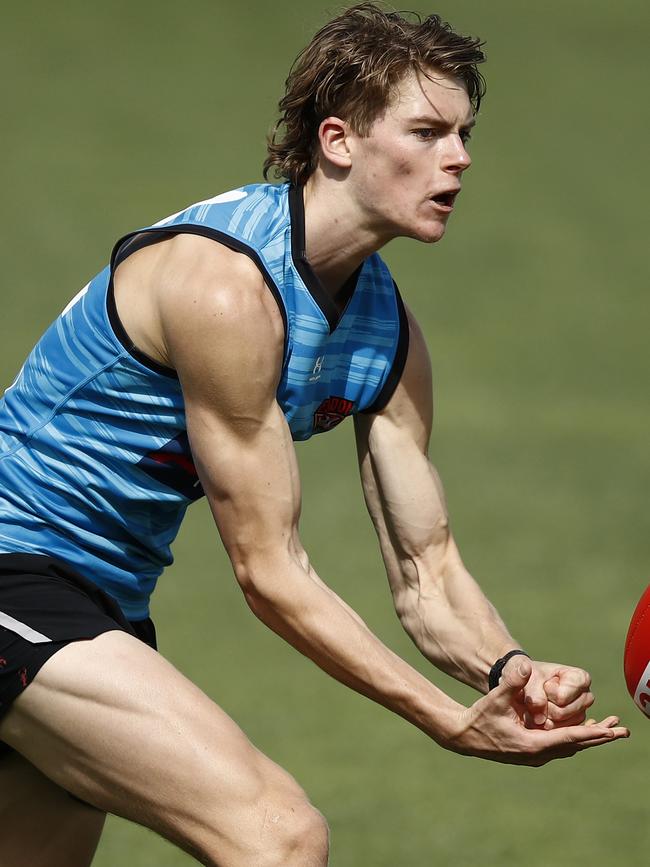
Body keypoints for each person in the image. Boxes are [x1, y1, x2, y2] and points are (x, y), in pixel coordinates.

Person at [0, 4, 629, 866]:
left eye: (464, 133)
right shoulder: (225, 287)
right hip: (18, 576)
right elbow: (270, 571)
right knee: (278, 837)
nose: (460, 157)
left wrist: (507, 671)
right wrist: (444, 719)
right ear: (338, 140)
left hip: (97, 602)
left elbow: (426, 568)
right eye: (428, 130)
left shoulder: (387, 334)